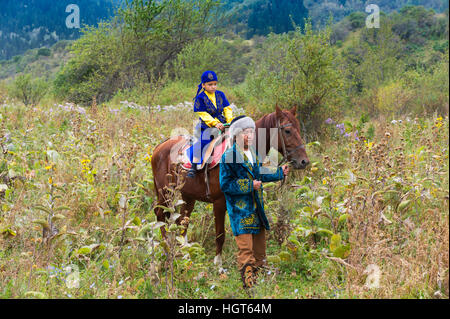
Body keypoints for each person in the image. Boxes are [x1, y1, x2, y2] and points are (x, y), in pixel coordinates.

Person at [219, 115, 289, 288]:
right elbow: (225, 185)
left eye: (251, 132)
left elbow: (259, 173)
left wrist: (279, 172)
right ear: (236, 135)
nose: (249, 136)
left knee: (260, 250)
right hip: (240, 212)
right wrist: (250, 185)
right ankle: (248, 287)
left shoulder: (253, 153)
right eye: (245, 132)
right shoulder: (229, 156)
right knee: (246, 250)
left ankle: (259, 282)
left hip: (257, 209)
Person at [187, 70, 234, 178]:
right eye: (210, 84)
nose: (213, 87)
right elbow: (203, 114)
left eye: (215, 84)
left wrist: (229, 121)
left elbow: (227, 108)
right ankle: (193, 167)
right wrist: (215, 123)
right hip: (207, 125)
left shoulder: (220, 94)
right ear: (203, 85)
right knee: (203, 141)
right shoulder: (200, 98)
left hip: (223, 123)